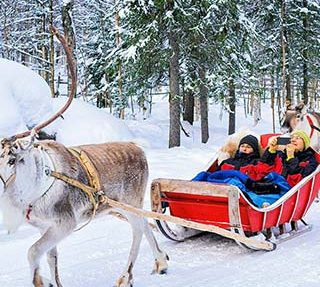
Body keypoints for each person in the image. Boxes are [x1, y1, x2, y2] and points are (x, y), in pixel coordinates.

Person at [193, 134, 261, 181]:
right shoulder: (227, 161)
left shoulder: (256, 163)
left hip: (239, 188)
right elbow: (215, 175)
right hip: (220, 185)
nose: (244, 149)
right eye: (242, 146)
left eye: (248, 147)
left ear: (254, 150)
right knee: (203, 174)